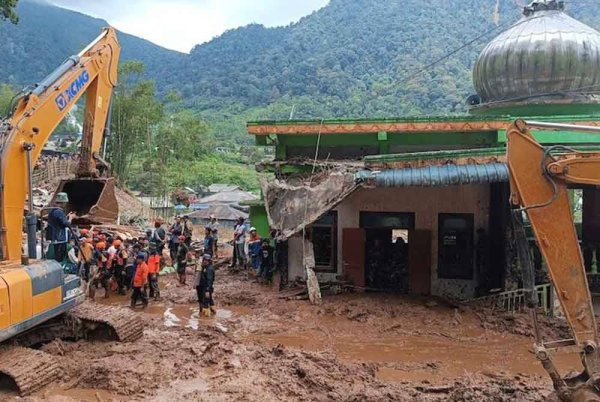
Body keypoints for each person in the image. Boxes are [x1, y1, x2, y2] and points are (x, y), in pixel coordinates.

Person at [46, 192, 76, 263]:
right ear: (63, 202)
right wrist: (71, 218)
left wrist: (66, 217)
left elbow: (59, 222)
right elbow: (67, 224)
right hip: (59, 239)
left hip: (56, 238)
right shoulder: (58, 212)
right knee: (59, 258)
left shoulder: (53, 211)